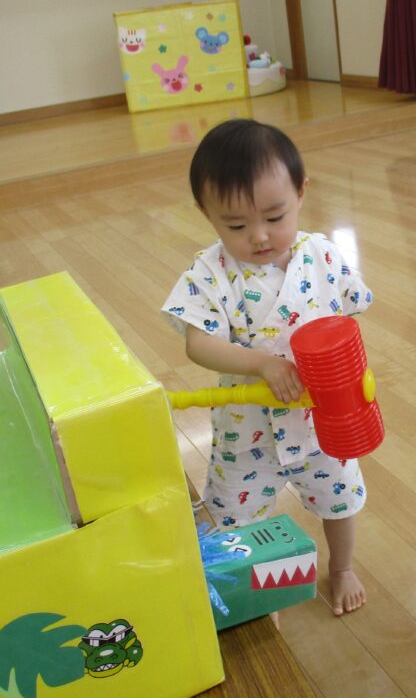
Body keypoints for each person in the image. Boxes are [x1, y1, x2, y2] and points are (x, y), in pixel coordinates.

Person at [162, 119, 373, 616]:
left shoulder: (322, 255)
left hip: (322, 423)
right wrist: (262, 363)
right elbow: (198, 343)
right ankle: (252, 590)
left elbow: (350, 312)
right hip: (248, 429)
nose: (259, 236)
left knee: (339, 499)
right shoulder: (210, 272)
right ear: (206, 214)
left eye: (275, 216)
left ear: (300, 193)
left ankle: (342, 568)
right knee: (235, 515)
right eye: (235, 226)